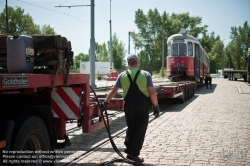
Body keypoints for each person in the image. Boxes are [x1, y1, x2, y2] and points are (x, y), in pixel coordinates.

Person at [103, 54, 160, 164]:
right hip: (142, 105)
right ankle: (134, 154)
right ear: (138, 62)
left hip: (129, 106)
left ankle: (130, 150)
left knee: (131, 127)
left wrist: (106, 101)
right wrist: (156, 106)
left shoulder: (122, 75)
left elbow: (113, 90)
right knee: (140, 129)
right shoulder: (146, 75)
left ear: (128, 63)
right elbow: (152, 92)